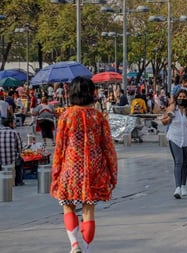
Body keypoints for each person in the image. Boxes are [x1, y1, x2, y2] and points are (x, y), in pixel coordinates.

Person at [50, 77, 118, 253]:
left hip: (71, 167)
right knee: (89, 209)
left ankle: (74, 244)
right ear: (92, 94)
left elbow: (59, 147)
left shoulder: (66, 116)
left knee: (68, 205)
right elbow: (108, 147)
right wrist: (112, 172)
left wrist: (56, 173)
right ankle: (86, 249)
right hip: (94, 170)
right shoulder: (99, 117)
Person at [161, 89, 187, 199]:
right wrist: (169, 118)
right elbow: (163, 122)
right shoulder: (172, 109)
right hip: (175, 137)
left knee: (184, 162)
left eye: (184, 97)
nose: (181, 99)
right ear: (176, 97)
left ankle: (183, 185)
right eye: (180, 97)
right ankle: (177, 187)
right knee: (178, 161)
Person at [0, 117, 24, 186]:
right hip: (13, 159)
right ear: (10, 124)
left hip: (1, 160)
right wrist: (18, 154)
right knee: (21, 161)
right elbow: (20, 147)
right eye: (14, 123)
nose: (15, 124)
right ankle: (18, 181)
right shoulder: (15, 132)